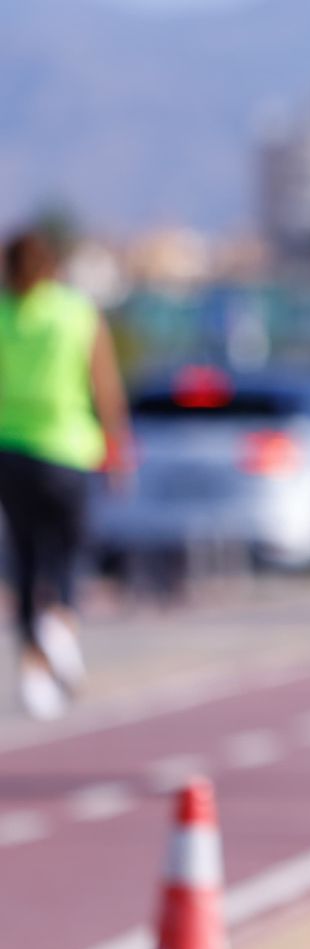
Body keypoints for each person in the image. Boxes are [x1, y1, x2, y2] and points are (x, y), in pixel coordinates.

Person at [0, 230, 131, 720]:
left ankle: (34, 671)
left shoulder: (4, 313)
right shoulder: (76, 312)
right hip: (67, 449)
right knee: (70, 551)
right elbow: (105, 385)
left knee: (25, 559)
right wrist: (117, 447)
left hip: (10, 449)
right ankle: (62, 620)